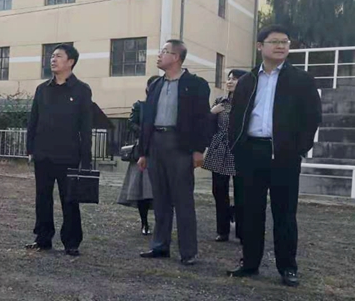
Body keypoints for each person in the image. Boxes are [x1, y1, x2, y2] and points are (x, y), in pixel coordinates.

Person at [226, 25, 321, 287]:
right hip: (251, 152)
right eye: (274, 41)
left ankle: (288, 267)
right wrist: (237, 147)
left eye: (285, 42)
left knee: (285, 212)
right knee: (249, 210)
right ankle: (250, 262)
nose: (281, 46)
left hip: (284, 154)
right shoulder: (247, 81)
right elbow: (235, 118)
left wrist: (299, 148)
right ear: (260, 46)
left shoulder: (301, 79)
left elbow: (312, 117)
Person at [137, 40, 210, 266]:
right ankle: (160, 245)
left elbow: (203, 119)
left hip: (180, 145)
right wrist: (143, 152)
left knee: (183, 199)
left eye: (164, 52)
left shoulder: (195, 84)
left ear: (176, 57)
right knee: (160, 198)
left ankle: (188, 251)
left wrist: (198, 150)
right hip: (156, 143)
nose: (159, 55)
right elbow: (146, 120)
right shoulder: (155, 85)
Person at [25, 44, 93, 257]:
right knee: (42, 198)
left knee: (69, 200)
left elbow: (86, 127)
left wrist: (86, 159)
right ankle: (43, 238)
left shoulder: (82, 90)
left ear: (70, 61)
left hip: (68, 155)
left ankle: (71, 242)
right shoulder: (42, 89)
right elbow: (33, 120)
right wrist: (30, 148)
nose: (53, 60)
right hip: (43, 153)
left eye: (58, 56)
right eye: (52, 56)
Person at [203, 69, 247, 244]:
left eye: (235, 79)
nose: (230, 81)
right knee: (219, 190)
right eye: (229, 78)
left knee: (242, 191)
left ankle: (242, 230)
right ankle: (222, 230)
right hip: (219, 148)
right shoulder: (220, 102)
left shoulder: (248, 103)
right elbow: (207, 126)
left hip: (240, 149)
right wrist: (211, 113)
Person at [117, 75, 159, 236]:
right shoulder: (140, 105)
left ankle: (161, 224)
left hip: (162, 151)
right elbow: (131, 123)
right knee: (143, 191)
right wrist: (146, 132)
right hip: (143, 150)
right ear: (147, 88)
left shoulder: (166, 106)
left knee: (161, 191)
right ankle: (144, 223)